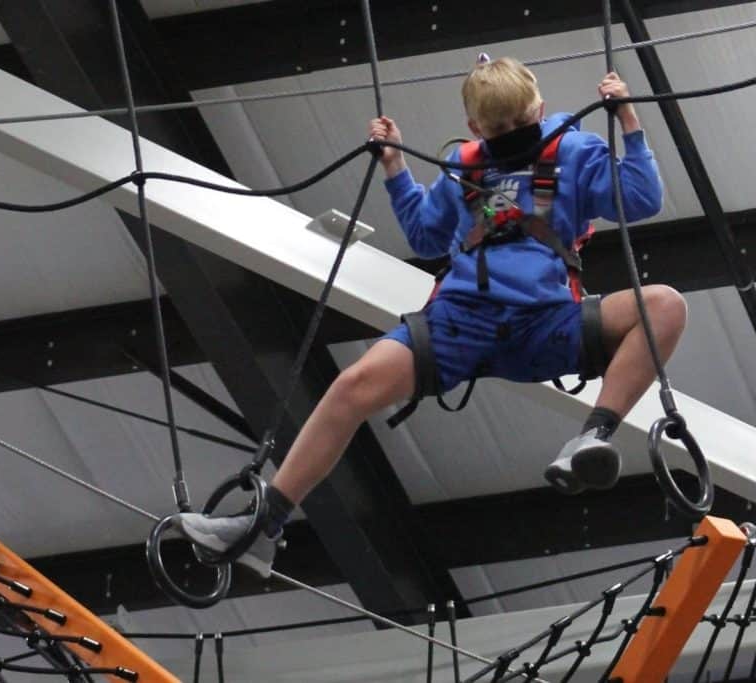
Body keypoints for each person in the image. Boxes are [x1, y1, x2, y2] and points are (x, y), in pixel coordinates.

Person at [178, 57, 686, 578]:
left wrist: (628, 121)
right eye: (498, 128)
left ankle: (593, 437)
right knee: (352, 386)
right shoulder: (463, 167)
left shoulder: (574, 152)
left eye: (519, 122)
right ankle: (261, 527)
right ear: (475, 129)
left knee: (664, 305)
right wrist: (396, 169)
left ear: (538, 108)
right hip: (460, 322)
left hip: (542, 321)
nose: (511, 133)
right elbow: (425, 236)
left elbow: (642, 199)